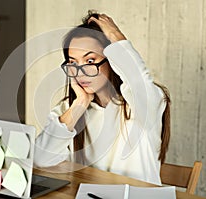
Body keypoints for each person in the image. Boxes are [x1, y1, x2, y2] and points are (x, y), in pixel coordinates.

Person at [34, 11, 171, 185]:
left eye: (90, 61)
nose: (81, 72)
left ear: (112, 61)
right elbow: (41, 159)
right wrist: (80, 104)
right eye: (73, 63)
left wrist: (116, 36)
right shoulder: (71, 109)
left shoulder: (143, 103)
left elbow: (139, 80)